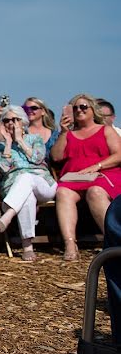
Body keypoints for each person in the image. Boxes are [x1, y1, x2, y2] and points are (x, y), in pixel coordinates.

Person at [52, 93, 121, 261]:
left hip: (103, 174)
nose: (79, 110)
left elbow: (119, 154)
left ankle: (114, 240)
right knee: (63, 193)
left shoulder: (105, 129)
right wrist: (63, 132)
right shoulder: (68, 134)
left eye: (83, 107)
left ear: (92, 110)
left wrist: (96, 166)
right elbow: (56, 157)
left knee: (95, 192)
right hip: (75, 178)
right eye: (75, 107)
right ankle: (70, 243)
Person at [0, 105, 55, 261]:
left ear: (23, 121)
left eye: (15, 119)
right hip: (16, 189)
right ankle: (28, 248)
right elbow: (4, 167)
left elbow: (38, 159)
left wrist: (20, 141)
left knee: (26, 177)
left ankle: (6, 217)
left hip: (43, 183)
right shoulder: (2, 146)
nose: (11, 123)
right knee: (27, 195)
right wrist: (10, 143)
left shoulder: (35, 139)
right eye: (7, 120)